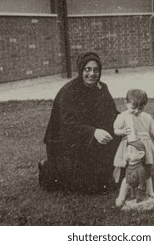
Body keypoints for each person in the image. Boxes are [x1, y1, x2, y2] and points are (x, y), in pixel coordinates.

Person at [39, 52, 121, 194]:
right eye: (87, 69)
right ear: (81, 70)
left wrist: (126, 121)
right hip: (65, 143)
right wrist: (93, 132)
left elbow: (112, 114)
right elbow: (68, 126)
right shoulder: (69, 92)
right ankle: (49, 167)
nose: (92, 74)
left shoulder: (102, 88)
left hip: (90, 139)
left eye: (96, 70)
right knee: (88, 187)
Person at [113, 89, 154, 206]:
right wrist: (122, 131)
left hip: (145, 147)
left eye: (140, 108)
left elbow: (151, 132)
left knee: (147, 171)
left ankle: (150, 192)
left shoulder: (147, 117)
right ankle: (121, 196)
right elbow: (116, 130)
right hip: (131, 146)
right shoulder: (123, 116)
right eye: (133, 108)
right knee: (129, 173)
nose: (136, 111)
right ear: (126, 104)